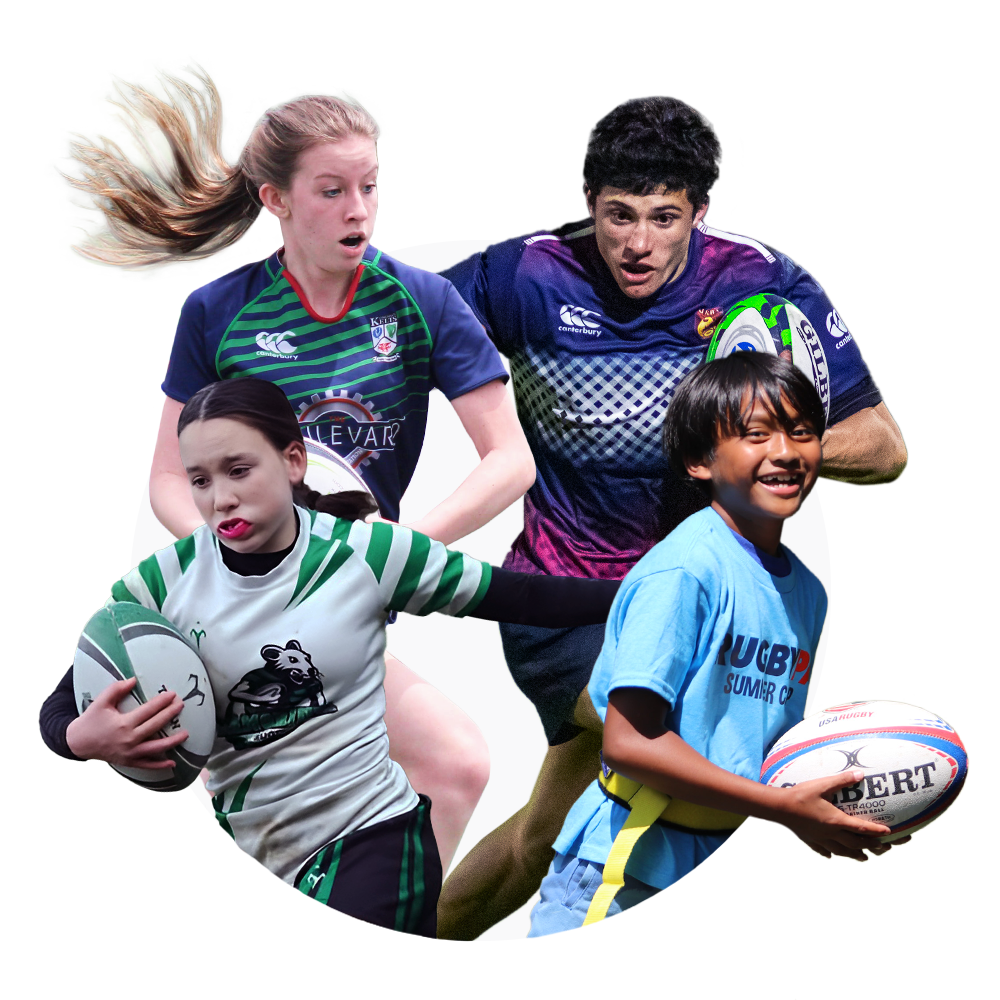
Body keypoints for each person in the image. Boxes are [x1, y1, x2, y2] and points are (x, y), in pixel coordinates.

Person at [47, 56, 536, 871]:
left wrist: (388, 549)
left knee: (454, 767)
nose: (361, 210)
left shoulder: (421, 302)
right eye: (333, 190)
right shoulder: (218, 312)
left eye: (371, 186)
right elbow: (169, 478)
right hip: (234, 600)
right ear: (275, 200)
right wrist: (231, 550)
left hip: (332, 603)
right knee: (107, 731)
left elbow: (510, 461)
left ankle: (393, 926)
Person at [437, 94, 909, 939]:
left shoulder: (761, 285)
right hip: (564, 603)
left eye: (664, 217)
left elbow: (884, 447)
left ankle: (416, 942)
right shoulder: (525, 275)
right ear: (590, 205)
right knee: (688, 756)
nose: (637, 243)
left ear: (701, 210)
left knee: (541, 841)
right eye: (618, 216)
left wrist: (760, 438)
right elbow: (391, 340)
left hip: (700, 606)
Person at [38, 377, 618, 939]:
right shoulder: (162, 581)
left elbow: (523, 596)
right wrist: (80, 738)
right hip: (263, 858)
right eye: (200, 480)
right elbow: (64, 699)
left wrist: (652, 587)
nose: (221, 498)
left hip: (378, 839)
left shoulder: (366, 552)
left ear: (293, 462)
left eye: (239, 470)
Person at [527, 352, 900, 937]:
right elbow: (629, 742)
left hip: (717, 872)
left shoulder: (808, 594)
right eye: (757, 434)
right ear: (700, 461)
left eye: (801, 432)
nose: (784, 451)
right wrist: (781, 809)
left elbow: (753, 745)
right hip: (620, 874)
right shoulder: (685, 570)